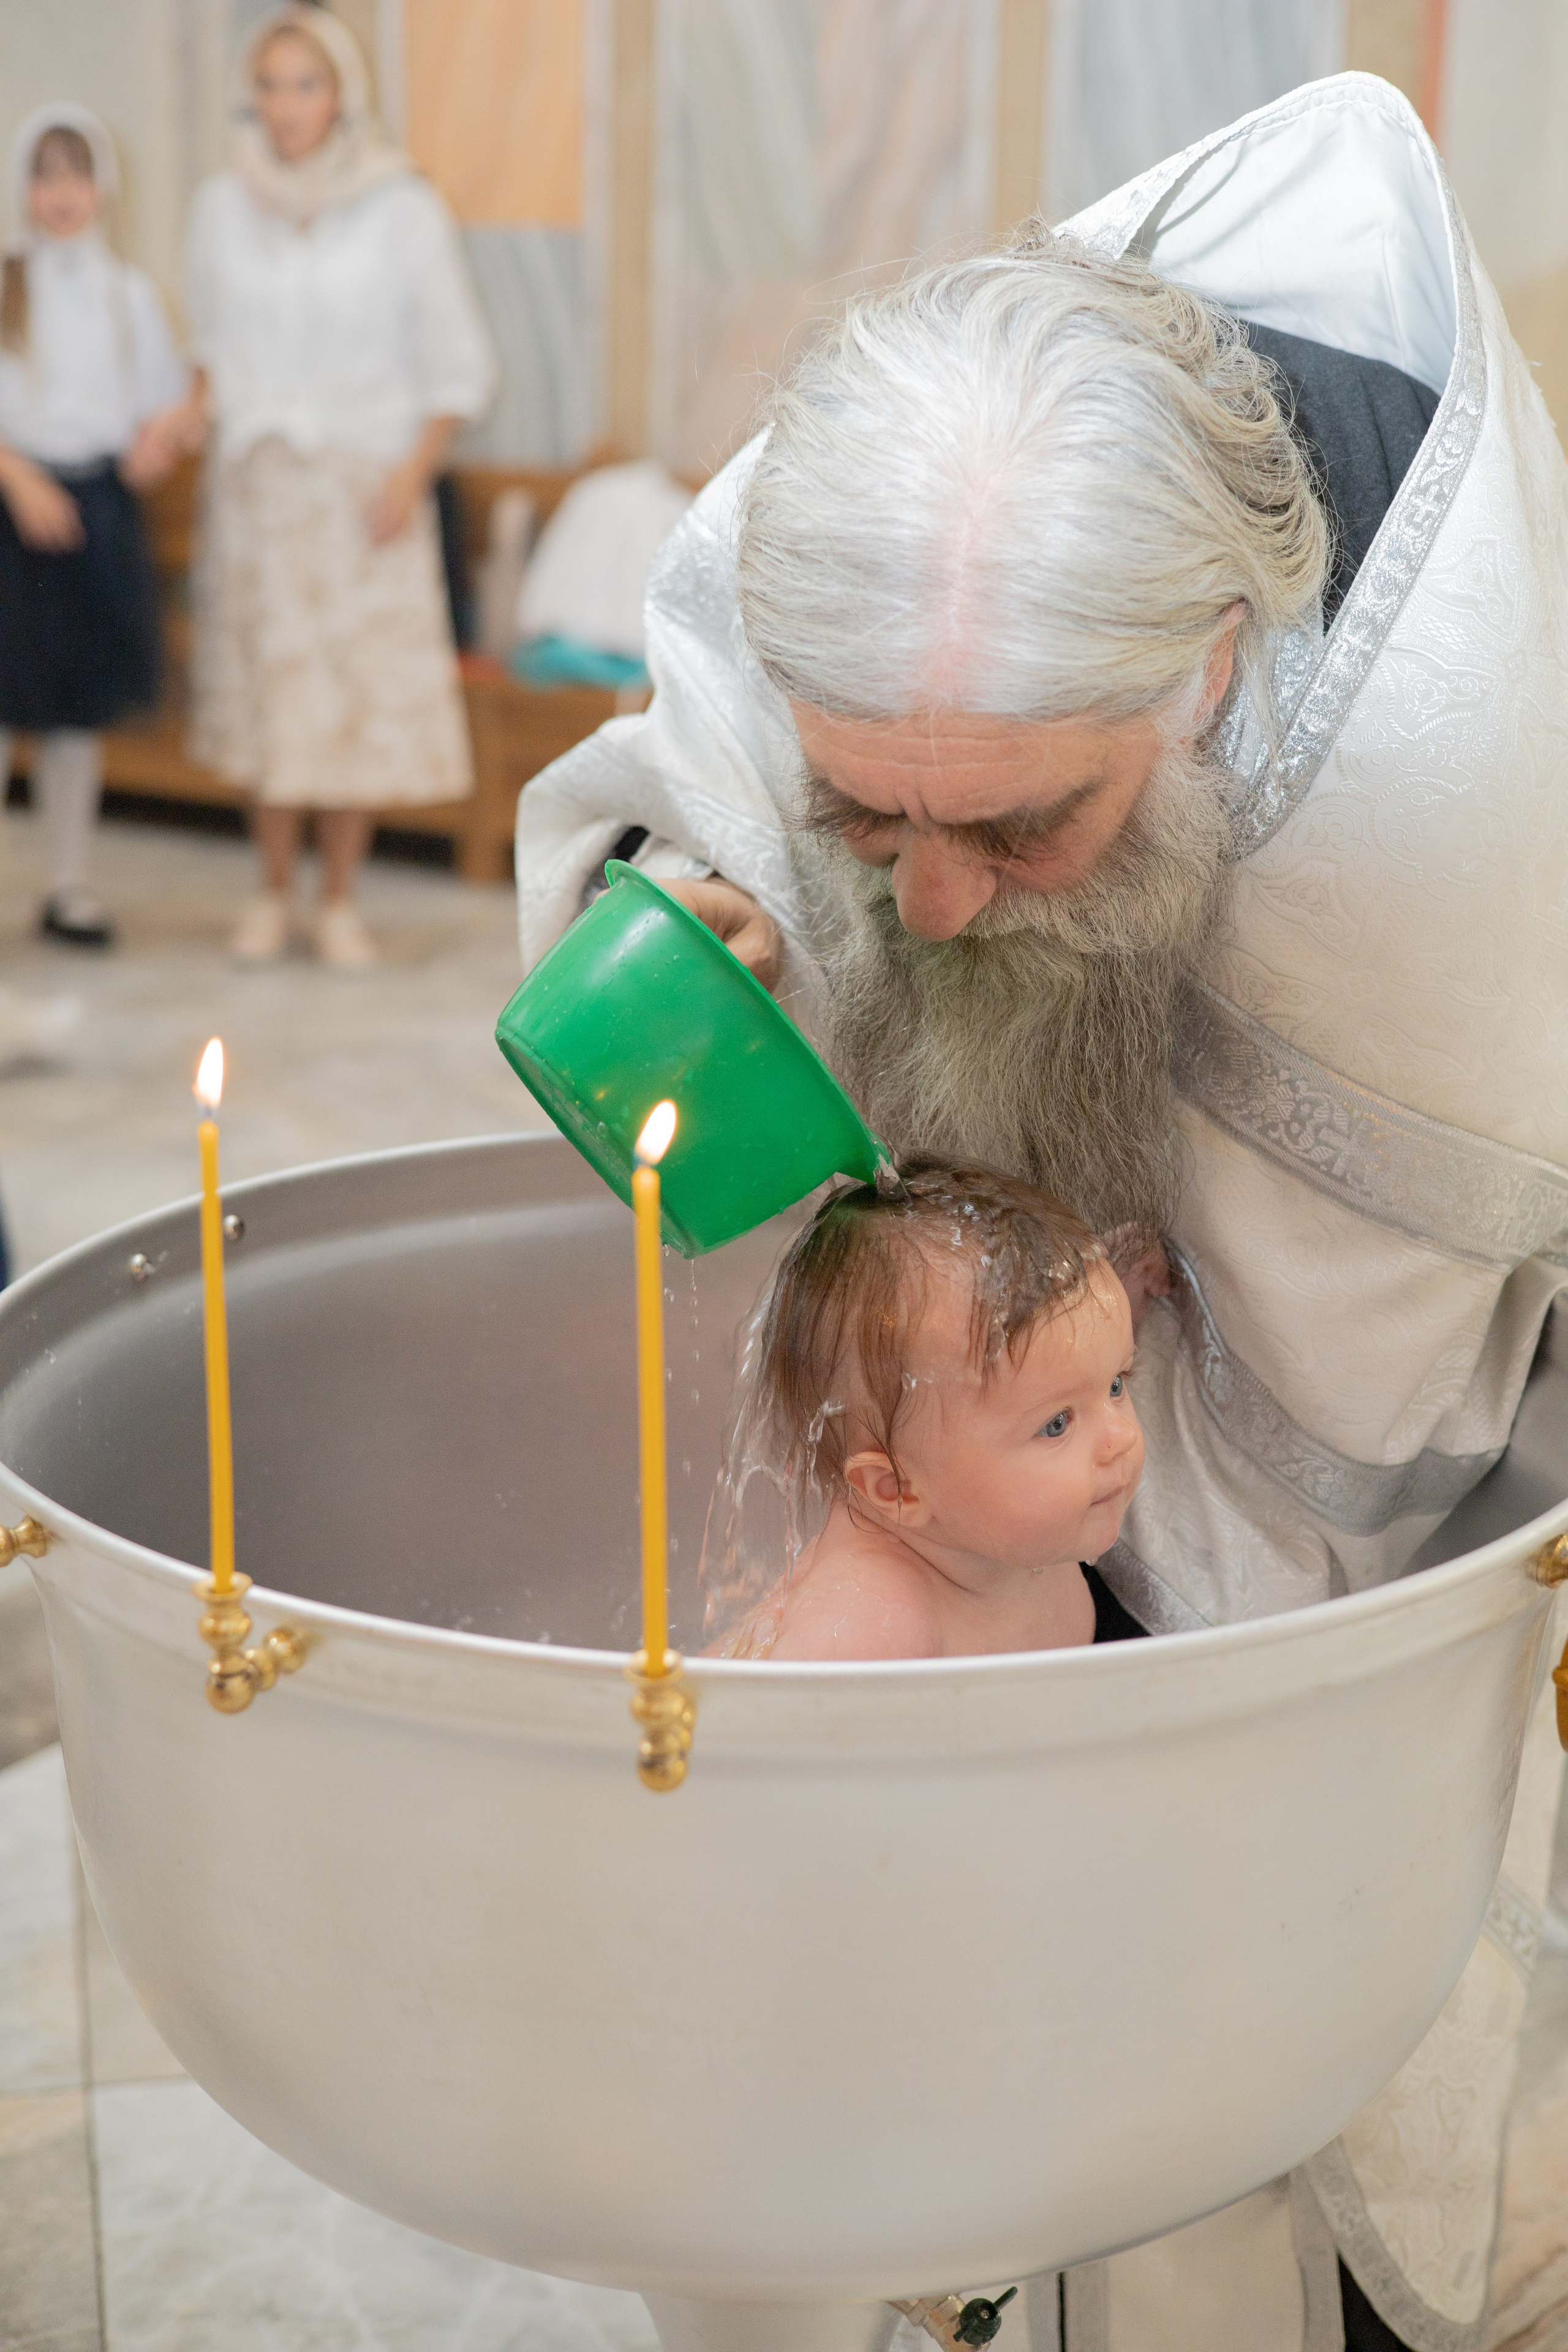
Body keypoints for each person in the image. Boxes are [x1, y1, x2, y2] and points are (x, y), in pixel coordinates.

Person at [512, 75, 1567, 2352]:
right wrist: (704, 923)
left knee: (1226, 2006)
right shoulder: (882, 518)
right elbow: (678, 824)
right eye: (854, 802)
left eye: (1020, 824)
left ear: (1204, 663)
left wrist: (1098, 1642)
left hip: (1281, 1415)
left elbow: (1322, 1470)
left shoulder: (1425, 814)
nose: (928, 895)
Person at [172, 4, 494, 970]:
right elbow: (211, 351)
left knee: (348, 701)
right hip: (262, 489)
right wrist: (184, 415)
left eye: (304, 83)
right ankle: (272, 891)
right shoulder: (221, 206)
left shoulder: (403, 206)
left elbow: (458, 366)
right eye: (269, 84)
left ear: (341, 94)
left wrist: (410, 474)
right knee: (276, 699)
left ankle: (342, 898)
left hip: (366, 488)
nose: (285, 105)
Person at [722, 1161, 1144, 1662]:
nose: (1119, 1436)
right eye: (1056, 1425)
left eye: (1116, 1384)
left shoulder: (1008, 1534)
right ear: (896, 1488)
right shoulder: (864, 1627)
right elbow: (750, 1730)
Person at [0, 105, 188, 948]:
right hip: (14, 505)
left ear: (103, 188)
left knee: (76, 712)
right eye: (46, 176)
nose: (61, 195)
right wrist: (19, 478)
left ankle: (68, 885)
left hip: (97, 514)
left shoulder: (128, 293)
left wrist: (157, 443)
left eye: (77, 176)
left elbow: (158, 405)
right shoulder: (8, 282)